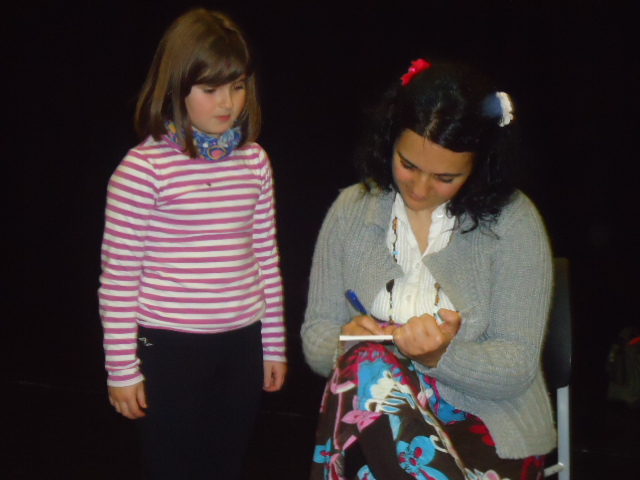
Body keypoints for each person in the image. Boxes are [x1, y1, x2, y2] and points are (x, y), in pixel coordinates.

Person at [301, 59, 555, 480]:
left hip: (490, 427)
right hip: (376, 419)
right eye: (408, 165)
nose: (419, 189)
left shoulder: (513, 221)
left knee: (366, 387)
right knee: (367, 364)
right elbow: (316, 335)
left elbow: (517, 366)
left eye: (444, 177)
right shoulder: (352, 210)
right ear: (389, 142)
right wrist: (343, 342)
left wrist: (442, 356)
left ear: (477, 167)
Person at [98, 9, 286, 480]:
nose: (227, 102)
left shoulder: (254, 162)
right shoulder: (142, 171)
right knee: (171, 466)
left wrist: (272, 346)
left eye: (237, 86)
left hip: (241, 343)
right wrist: (122, 369)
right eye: (210, 89)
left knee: (225, 463)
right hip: (168, 347)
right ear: (176, 88)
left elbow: (266, 257)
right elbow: (118, 280)